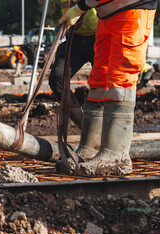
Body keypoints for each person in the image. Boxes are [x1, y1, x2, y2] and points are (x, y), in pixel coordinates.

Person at [57, 0, 157, 176]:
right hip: (107, 17)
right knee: (99, 80)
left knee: (121, 78)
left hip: (132, 12)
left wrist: (80, 7)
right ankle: (90, 147)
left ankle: (115, 155)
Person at [49, 0, 98, 129]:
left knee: (103, 84)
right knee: (57, 78)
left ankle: (105, 129)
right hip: (73, 38)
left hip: (100, 36)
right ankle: (85, 127)